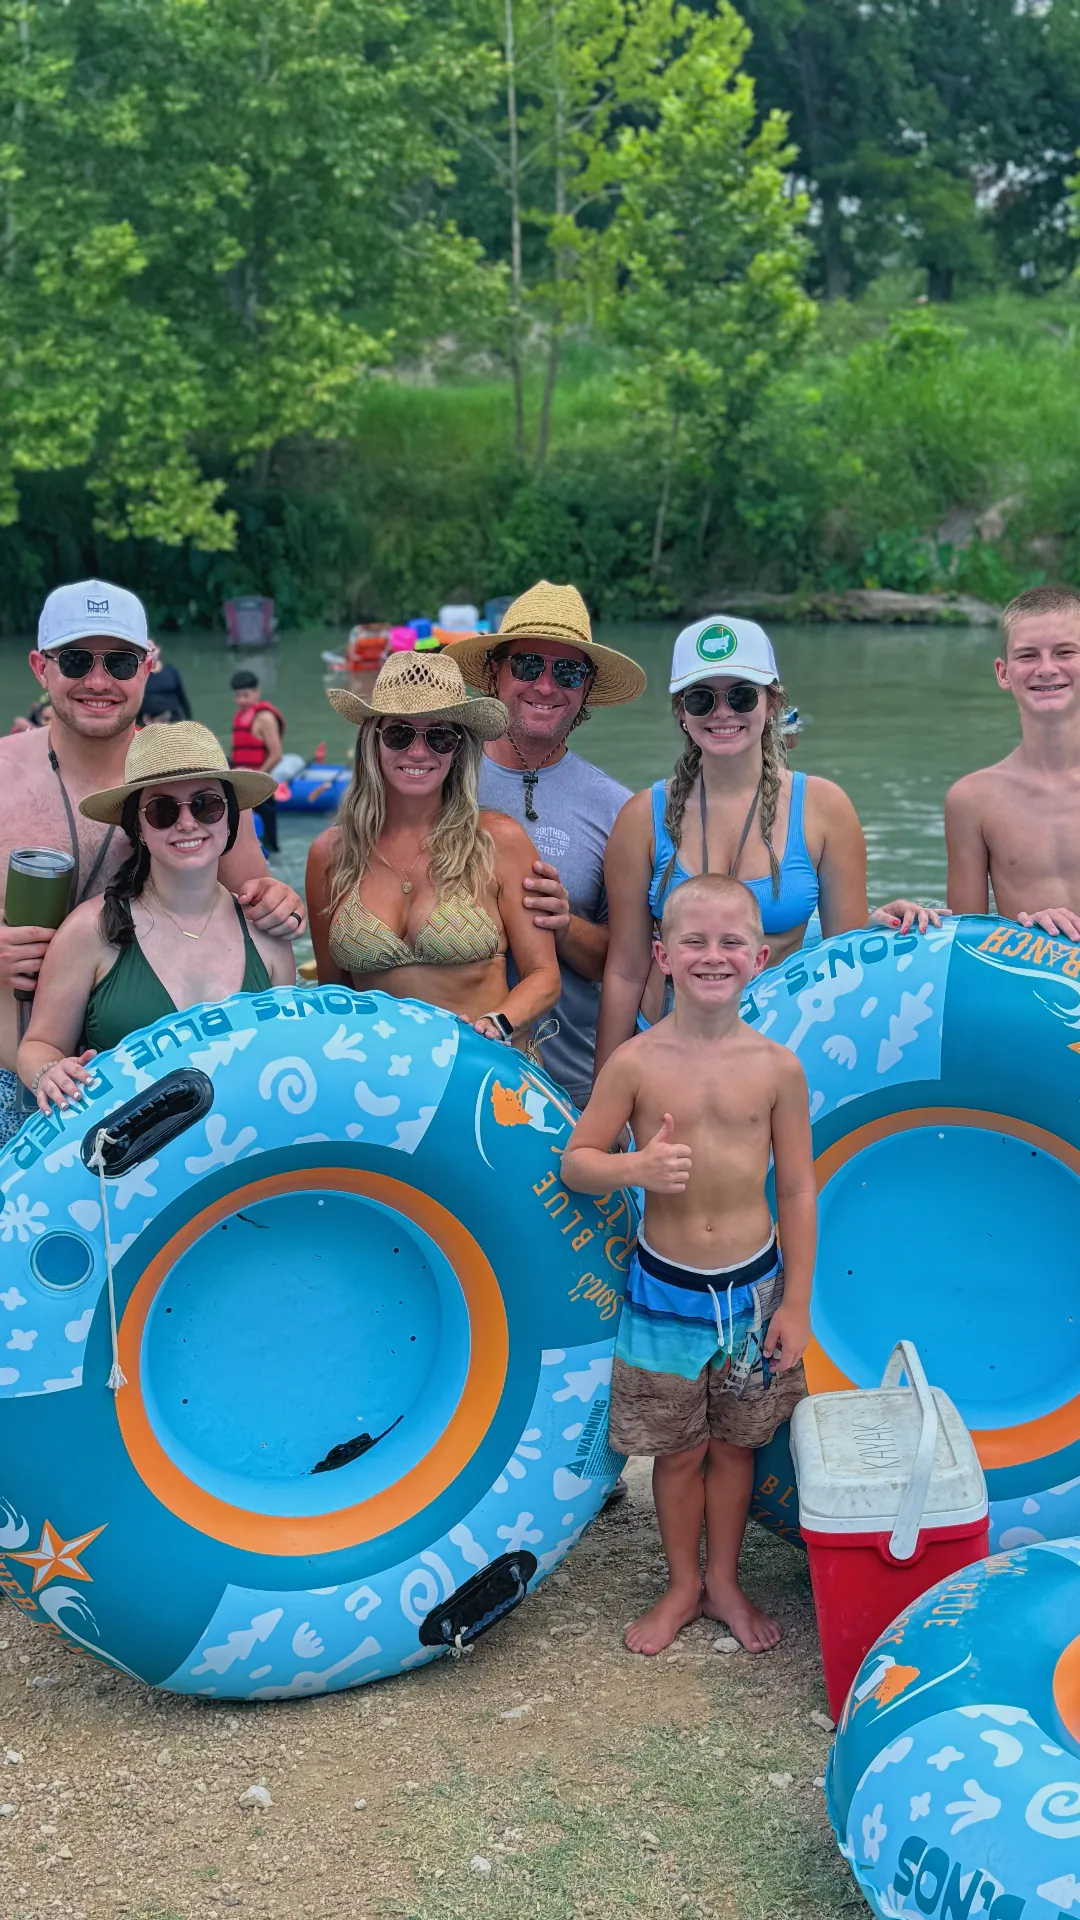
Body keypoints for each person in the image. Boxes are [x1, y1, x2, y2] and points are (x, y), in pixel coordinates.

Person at [562, 872, 815, 1656]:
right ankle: (680, 1586)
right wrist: (634, 1170)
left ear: (761, 955)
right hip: (664, 1292)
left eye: (731, 941)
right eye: (695, 942)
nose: (714, 955)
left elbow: (800, 1189)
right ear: (664, 956)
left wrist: (795, 1304)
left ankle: (725, 1582)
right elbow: (577, 1162)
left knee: (738, 1445)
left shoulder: (778, 1068)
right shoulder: (636, 1063)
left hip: (751, 1289)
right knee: (679, 1452)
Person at [0, 580, 304, 1147]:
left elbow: (254, 905)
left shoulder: (185, 775)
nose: (98, 680)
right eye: (75, 660)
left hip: (145, 1102)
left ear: (148, 665)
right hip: (11, 1081)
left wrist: (282, 903)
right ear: (40, 667)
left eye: (119, 660)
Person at [595, 615, 932, 1068]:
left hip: (780, 1048)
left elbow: (846, 963)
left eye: (741, 694)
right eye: (701, 698)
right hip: (664, 1047)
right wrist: (605, 1102)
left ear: (771, 702)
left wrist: (887, 928)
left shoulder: (824, 810)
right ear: (681, 712)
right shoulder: (640, 819)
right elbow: (625, 970)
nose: (722, 712)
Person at [18, 724, 296, 1111]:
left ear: (230, 819)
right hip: (127, 1156)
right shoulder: (90, 930)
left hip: (241, 1157)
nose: (187, 823)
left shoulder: (266, 933)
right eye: (163, 810)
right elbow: (38, 1046)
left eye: (206, 805)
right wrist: (49, 1071)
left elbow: (288, 1053)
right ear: (139, 827)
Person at [446, 580, 646, 1109]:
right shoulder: (433, 774)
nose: (546, 685)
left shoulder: (618, 808)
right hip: (450, 1080)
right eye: (529, 665)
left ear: (585, 691)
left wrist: (565, 925)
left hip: (571, 1084)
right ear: (495, 672)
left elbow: (628, 965)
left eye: (568, 672)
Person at [306, 649, 561, 1045]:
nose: (419, 752)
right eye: (399, 733)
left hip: (486, 1075)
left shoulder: (499, 841)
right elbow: (333, 994)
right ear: (372, 741)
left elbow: (544, 976)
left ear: (458, 748)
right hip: (377, 1084)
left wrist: (497, 1025)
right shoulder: (330, 854)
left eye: (439, 736)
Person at [946, 584, 1080, 939]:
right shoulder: (972, 800)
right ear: (1003, 672)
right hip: (1029, 983)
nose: (1046, 668)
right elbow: (964, 940)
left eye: (1065, 652)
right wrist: (1024, 931)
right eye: (1028, 656)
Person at [230, 667, 285, 854]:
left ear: (256, 693)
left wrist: (258, 776)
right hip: (243, 784)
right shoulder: (240, 715)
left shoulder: (264, 718)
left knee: (270, 840)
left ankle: (273, 858)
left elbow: (276, 754)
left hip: (260, 785)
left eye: (245, 695)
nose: (240, 700)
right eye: (237, 696)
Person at [140, 643, 193, 725]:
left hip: (174, 719)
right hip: (149, 723)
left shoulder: (171, 671)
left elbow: (182, 698)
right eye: (146, 651)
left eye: (153, 650)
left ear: (158, 650)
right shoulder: (138, 674)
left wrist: (190, 720)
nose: (150, 654)